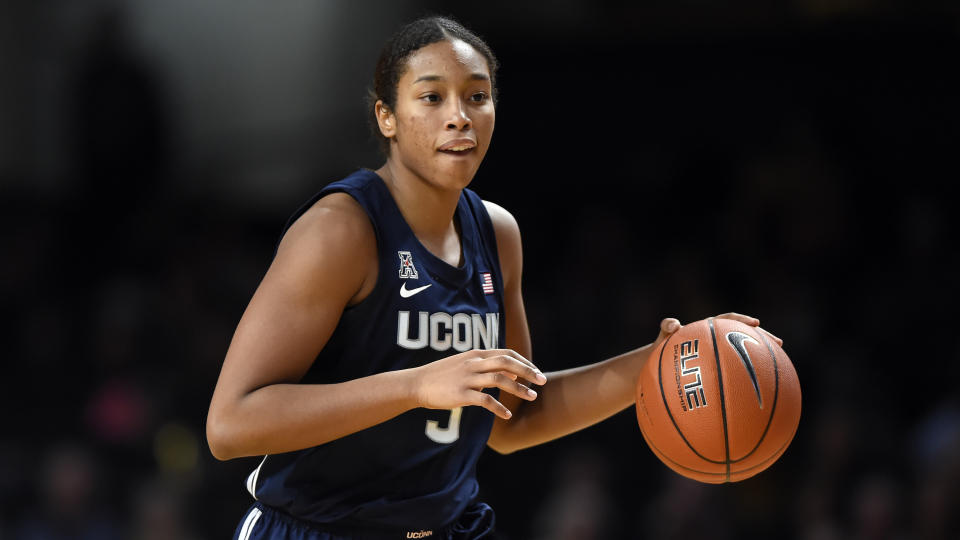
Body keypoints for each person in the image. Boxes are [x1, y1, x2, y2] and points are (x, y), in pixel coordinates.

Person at [205, 15, 780, 540]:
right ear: (386, 117)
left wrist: (663, 360)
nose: (459, 115)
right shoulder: (341, 232)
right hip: (317, 529)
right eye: (431, 97)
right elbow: (231, 425)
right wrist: (414, 386)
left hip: (445, 528)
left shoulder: (497, 233)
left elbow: (514, 417)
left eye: (476, 96)